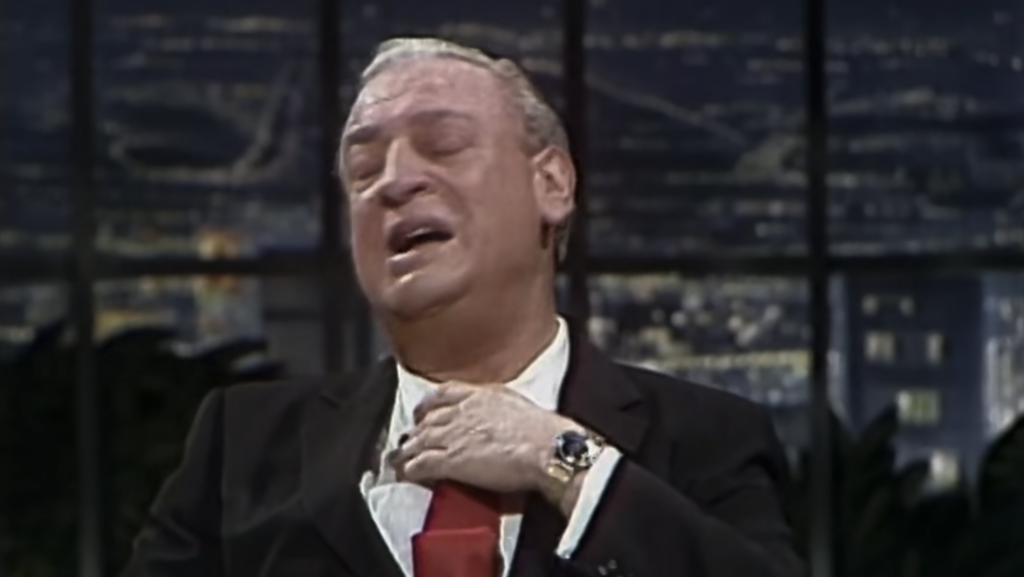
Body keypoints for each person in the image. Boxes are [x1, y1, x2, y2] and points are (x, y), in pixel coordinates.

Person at [122, 37, 803, 577]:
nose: (394, 181)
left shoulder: (704, 438)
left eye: (443, 144)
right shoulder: (241, 446)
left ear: (552, 184)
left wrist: (563, 460)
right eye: (363, 170)